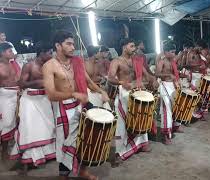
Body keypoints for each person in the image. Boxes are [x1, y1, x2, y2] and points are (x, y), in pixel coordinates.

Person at [43, 31, 108, 180]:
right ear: (58, 46)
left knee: (86, 138)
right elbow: (51, 94)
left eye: (73, 44)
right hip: (63, 108)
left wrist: (101, 91)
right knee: (66, 142)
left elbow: (89, 82)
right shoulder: (49, 66)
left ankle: (83, 171)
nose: (73, 47)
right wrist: (72, 94)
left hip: (81, 103)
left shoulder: (77, 62)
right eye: (69, 44)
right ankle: (63, 175)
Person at [108, 38, 158, 160]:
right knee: (122, 123)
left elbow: (146, 75)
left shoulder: (137, 60)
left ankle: (142, 144)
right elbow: (110, 78)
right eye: (131, 46)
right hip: (124, 92)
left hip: (137, 91)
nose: (134, 48)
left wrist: (153, 80)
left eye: (134, 46)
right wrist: (121, 82)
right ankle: (120, 151)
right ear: (124, 47)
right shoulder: (116, 61)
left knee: (142, 116)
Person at [10, 43, 56, 171]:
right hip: (30, 100)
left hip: (45, 100)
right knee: (29, 129)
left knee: (47, 127)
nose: (51, 55)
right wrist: (38, 82)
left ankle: (46, 155)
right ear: (41, 52)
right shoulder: (29, 65)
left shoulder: (50, 66)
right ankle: (29, 158)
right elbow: (21, 83)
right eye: (49, 53)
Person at [155, 40, 183, 145]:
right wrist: (168, 75)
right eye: (172, 52)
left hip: (173, 86)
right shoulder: (162, 61)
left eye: (174, 52)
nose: (173, 54)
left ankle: (176, 126)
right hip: (165, 86)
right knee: (166, 110)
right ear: (166, 52)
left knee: (175, 107)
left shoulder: (173, 61)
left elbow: (176, 72)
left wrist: (177, 78)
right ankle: (166, 135)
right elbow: (157, 73)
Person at [0, 42, 19, 161]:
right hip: (4, 97)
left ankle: (8, 150)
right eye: (10, 51)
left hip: (15, 95)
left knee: (13, 123)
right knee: (6, 124)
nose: (13, 53)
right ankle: (4, 152)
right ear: (2, 53)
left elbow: (18, 79)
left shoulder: (14, 64)